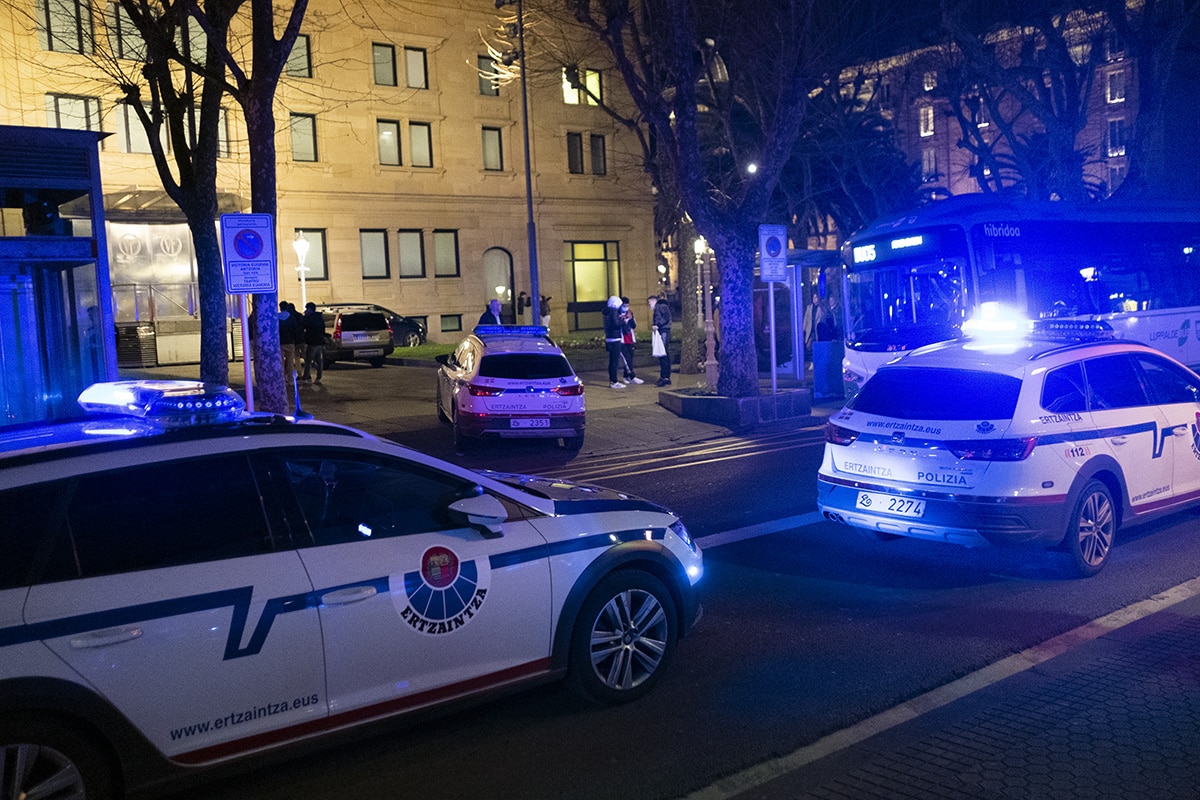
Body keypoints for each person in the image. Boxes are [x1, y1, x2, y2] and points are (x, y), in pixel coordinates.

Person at [602, 295, 625, 388]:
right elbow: (616, 324)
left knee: (612, 361)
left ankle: (612, 380)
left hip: (609, 338)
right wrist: (623, 321)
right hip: (615, 338)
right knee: (615, 361)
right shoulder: (614, 311)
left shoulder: (606, 312)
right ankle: (614, 381)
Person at [649, 294, 672, 386]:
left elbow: (666, 317)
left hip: (663, 331)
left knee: (663, 353)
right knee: (664, 353)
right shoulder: (663, 306)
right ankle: (666, 376)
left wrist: (657, 324)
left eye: (649, 302)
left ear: (654, 300)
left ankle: (664, 377)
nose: (649, 304)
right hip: (663, 331)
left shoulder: (660, 306)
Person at [619, 298, 643, 384]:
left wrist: (630, 318)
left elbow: (633, 326)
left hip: (630, 339)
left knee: (630, 358)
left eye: (627, 305)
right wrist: (623, 319)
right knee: (627, 359)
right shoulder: (617, 314)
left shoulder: (630, 313)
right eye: (624, 305)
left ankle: (626, 376)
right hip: (622, 340)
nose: (626, 307)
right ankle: (632, 376)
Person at [301, 302, 325, 384]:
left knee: (308, 361)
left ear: (310, 309)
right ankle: (319, 377)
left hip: (312, 342)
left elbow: (304, 325)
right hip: (319, 342)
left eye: (307, 309)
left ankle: (306, 377)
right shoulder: (319, 317)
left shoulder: (310, 318)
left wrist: (305, 316)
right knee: (319, 361)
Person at [278, 300, 302, 381]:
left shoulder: (277, 318)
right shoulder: (291, 318)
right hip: (290, 342)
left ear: (280, 307)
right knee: (290, 362)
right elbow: (295, 330)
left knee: (281, 362)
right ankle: (290, 378)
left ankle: (282, 378)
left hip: (280, 343)